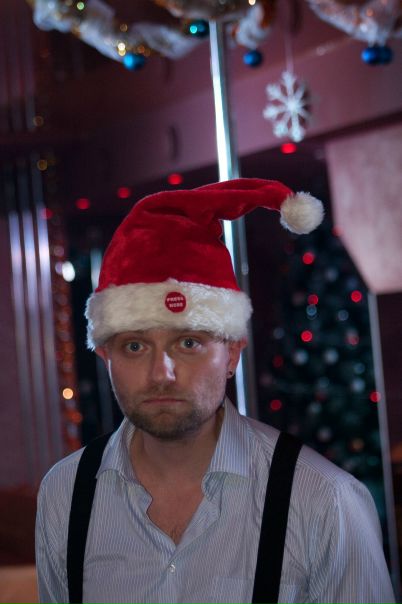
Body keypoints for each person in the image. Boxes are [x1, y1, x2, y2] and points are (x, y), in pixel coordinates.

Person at [35, 178, 396, 604]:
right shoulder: (65, 493)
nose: (161, 373)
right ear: (105, 357)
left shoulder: (323, 499)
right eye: (135, 346)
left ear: (232, 355)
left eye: (188, 342)